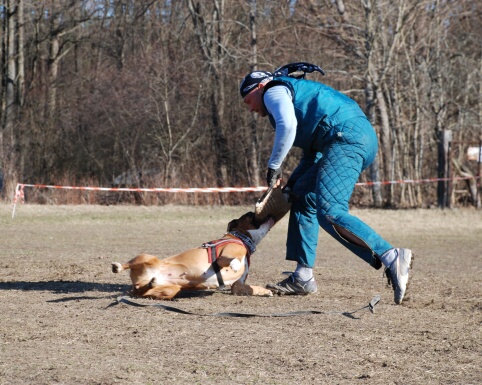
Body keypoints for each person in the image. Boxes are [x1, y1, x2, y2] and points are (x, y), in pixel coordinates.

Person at [240, 63, 413, 304]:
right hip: (344, 138)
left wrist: (274, 165)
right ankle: (303, 277)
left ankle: (391, 255)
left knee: (330, 211)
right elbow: (312, 153)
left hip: (346, 138)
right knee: (300, 196)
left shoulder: (273, 90)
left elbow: (287, 127)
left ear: (259, 87)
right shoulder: (291, 96)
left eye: (247, 100)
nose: (249, 108)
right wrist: (292, 184)